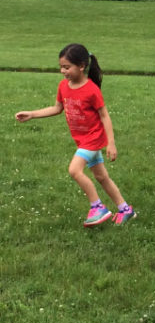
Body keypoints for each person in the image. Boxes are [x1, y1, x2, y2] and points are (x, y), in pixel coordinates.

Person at [14, 43, 134, 228]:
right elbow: (57, 108)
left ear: (81, 66)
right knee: (102, 178)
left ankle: (97, 207)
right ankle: (125, 209)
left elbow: (105, 116)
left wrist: (111, 143)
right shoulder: (63, 86)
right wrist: (32, 114)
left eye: (67, 67)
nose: (63, 71)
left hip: (92, 139)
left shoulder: (92, 90)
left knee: (74, 170)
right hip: (82, 140)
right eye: (61, 67)